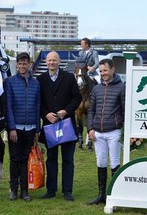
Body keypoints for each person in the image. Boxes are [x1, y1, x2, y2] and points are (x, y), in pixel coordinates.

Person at [37, 51, 81, 201]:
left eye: (54, 60)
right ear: (46, 62)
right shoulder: (40, 79)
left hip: (67, 125)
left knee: (68, 160)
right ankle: (51, 190)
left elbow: (77, 97)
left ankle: (67, 191)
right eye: (49, 60)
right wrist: (45, 114)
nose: (51, 63)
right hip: (50, 126)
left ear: (59, 61)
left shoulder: (68, 77)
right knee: (51, 159)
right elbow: (38, 102)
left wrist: (66, 111)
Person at [87, 58, 125, 205]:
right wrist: (90, 128)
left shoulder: (121, 87)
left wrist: (121, 125)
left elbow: (124, 108)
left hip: (114, 131)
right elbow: (91, 110)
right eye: (101, 71)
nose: (103, 73)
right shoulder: (96, 88)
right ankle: (101, 195)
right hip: (98, 133)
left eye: (105, 70)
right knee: (101, 162)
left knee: (114, 162)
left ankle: (116, 194)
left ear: (112, 70)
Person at [4, 52, 41, 202]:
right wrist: (11, 128)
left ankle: (24, 190)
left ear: (29, 64)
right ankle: (13, 189)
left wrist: (38, 129)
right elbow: (8, 107)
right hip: (16, 128)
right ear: (17, 65)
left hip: (31, 128)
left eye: (25, 63)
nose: (22, 66)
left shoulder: (36, 83)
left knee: (26, 160)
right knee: (14, 159)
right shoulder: (10, 82)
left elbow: (38, 106)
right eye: (19, 63)